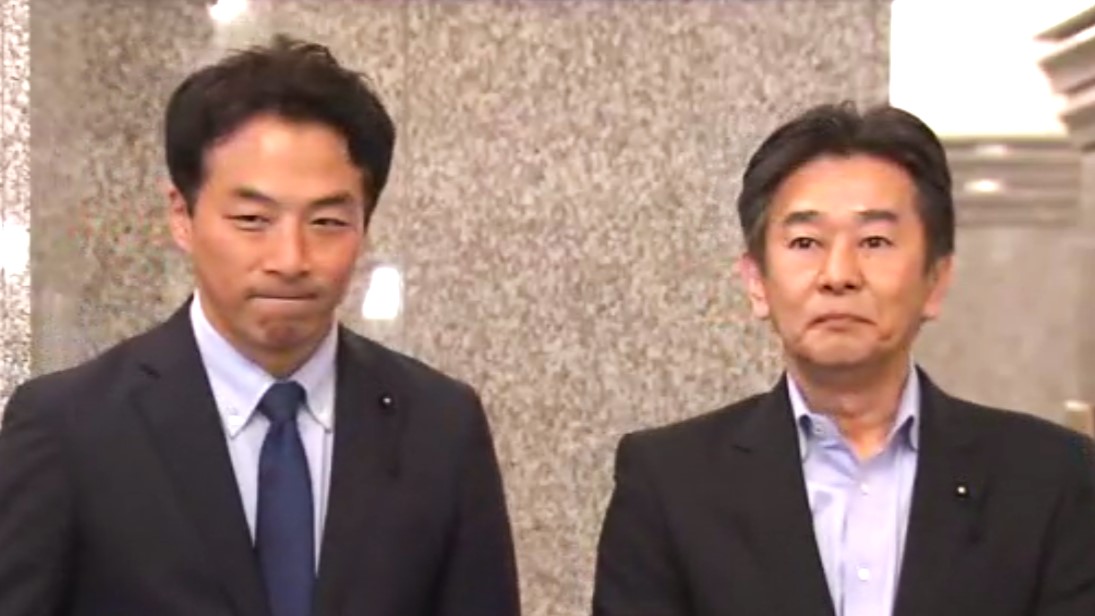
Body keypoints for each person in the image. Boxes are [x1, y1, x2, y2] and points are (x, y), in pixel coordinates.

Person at [0, 35, 520, 616]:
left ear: (365, 225)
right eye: (252, 219)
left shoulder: (440, 426)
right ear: (182, 215)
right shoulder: (70, 427)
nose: (290, 258)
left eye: (327, 221)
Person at [592, 102, 1095, 616]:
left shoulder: (1051, 478)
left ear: (936, 281)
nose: (838, 274)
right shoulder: (670, 481)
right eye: (805, 242)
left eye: (874, 241)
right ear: (757, 282)